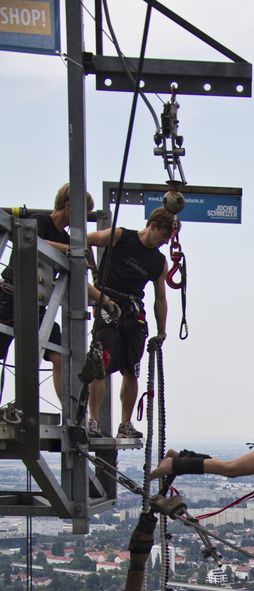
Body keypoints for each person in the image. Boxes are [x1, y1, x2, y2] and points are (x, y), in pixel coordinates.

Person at [0, 184, 110, 401]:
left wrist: (105, 300)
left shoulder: (68, 240)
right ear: (69, 206)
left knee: (59, 355)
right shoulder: (40, 221)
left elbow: (79, 282)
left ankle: (69, 412)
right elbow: (33, 240)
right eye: (83, 213)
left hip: (37, 309)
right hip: (10, 298)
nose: (84, 219)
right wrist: (70, 251)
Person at [86, 207, 173, 439]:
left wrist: (162, 332)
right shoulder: (120, 236)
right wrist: (94, 274)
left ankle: (125, 425)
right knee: (100, 364)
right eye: (164, 236)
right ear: (153, 225)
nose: (165, 242)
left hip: (133, 312)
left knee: (131, 370)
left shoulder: (159, 261)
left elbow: (161, 298)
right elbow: (84, 242)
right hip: (108, 303)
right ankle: (93, 420)